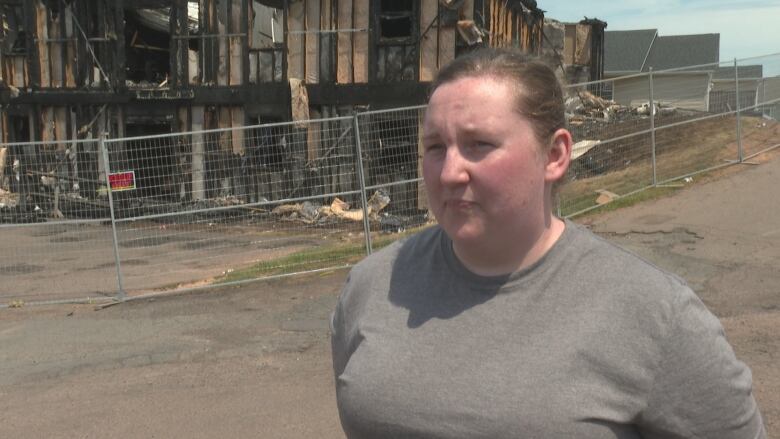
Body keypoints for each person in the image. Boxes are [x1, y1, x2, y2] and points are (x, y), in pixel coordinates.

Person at [330, 48, 766, 438]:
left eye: (479, 144)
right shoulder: (372, 286)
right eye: (435, 147)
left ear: (555, 155)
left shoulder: (654, 313)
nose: (449, 173)